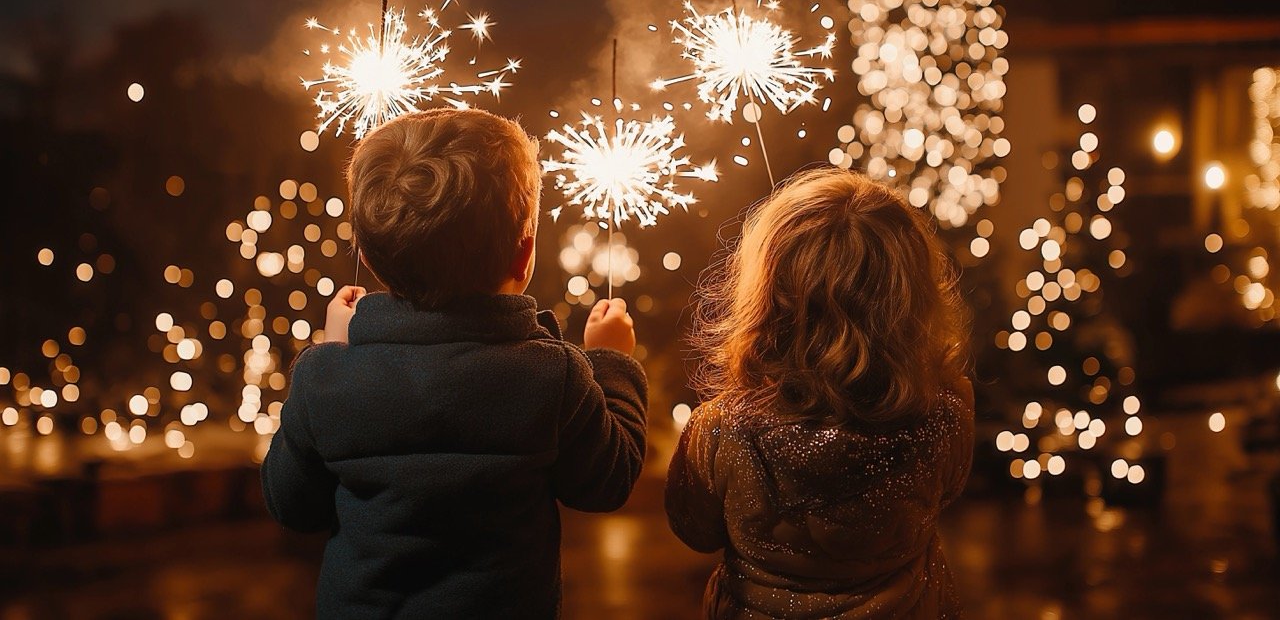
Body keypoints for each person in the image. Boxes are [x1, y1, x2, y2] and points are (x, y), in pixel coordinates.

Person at [261, 108, 647, 619]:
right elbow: (608, 480)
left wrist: (333, 355)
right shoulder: (551, 376)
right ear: (524, 254)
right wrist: (611, 362)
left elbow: (292, 504)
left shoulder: (327, 379)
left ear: (371, 257)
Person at [666, 167, 974, 619]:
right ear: (911, 297)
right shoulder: (944, 414)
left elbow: (694, 529)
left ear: (766, 294)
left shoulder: (720, 430)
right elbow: (947, 494)